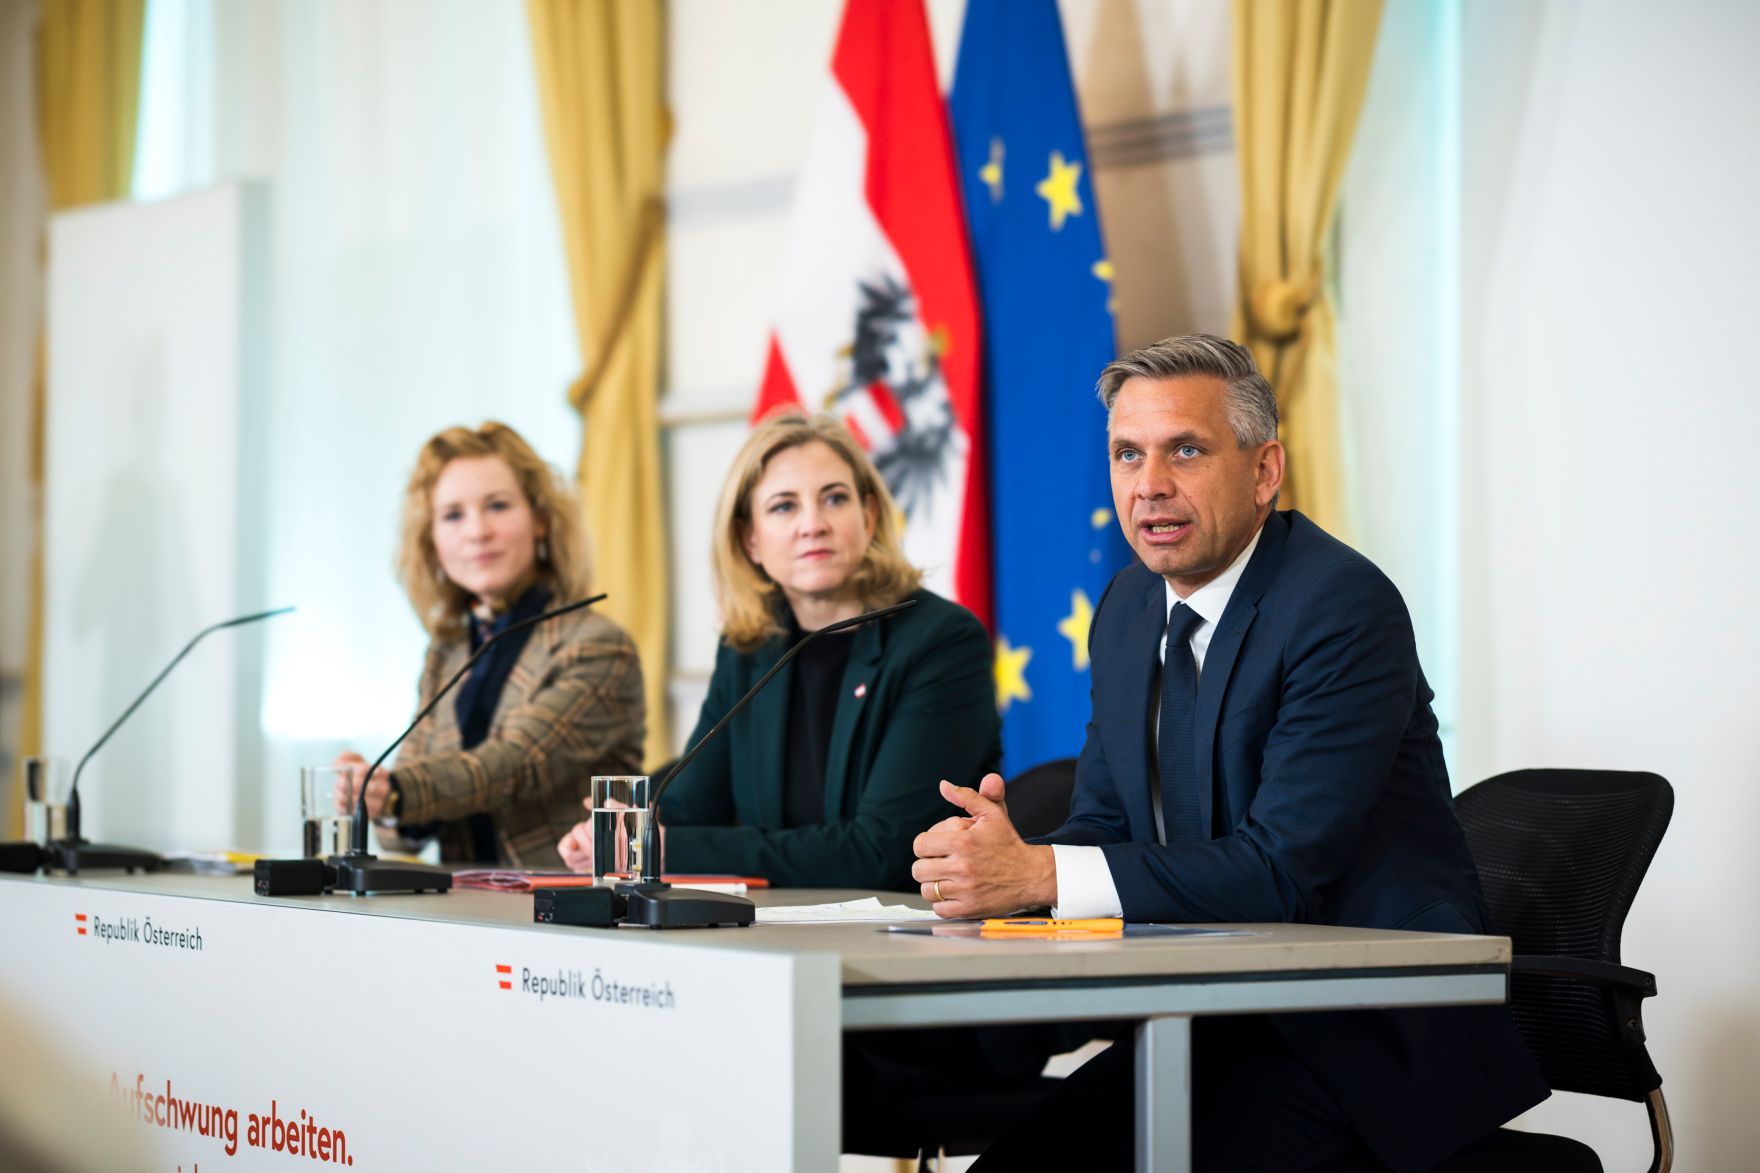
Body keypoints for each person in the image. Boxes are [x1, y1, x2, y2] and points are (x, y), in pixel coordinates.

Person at [911, 336, 1547, 1171]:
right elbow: (1107, 820)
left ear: (1264, 470)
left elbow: (1279, 869)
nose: (1151, 486)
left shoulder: (1341, 606)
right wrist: (1002, 861)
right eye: (1127, 454)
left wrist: (1041, 876)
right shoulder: (1131, 605)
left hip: (1360, 1040)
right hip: (1211, 1021)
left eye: (1186, 450)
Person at [558, 411, 999, 889]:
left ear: (869, 516)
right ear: (750, 540)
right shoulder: (751, 644)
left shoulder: (941, 642)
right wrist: (628, 829)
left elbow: (883, 851)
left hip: (900, 933)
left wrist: (667, 847)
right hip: (770, 928)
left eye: (834, 498)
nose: (813, 524)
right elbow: (692, 802)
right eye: (784, 507)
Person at [335, 421, 644, 869]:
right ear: (432, 541)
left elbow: (509, 766)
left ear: (541, 520)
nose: (477, 531)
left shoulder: (598, 646)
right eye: (453, 515)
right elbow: (400, 838)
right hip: (467, 911)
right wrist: (374, 794)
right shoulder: (447, 650)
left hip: (570, 909)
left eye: (497, 506)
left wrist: (396, 791)